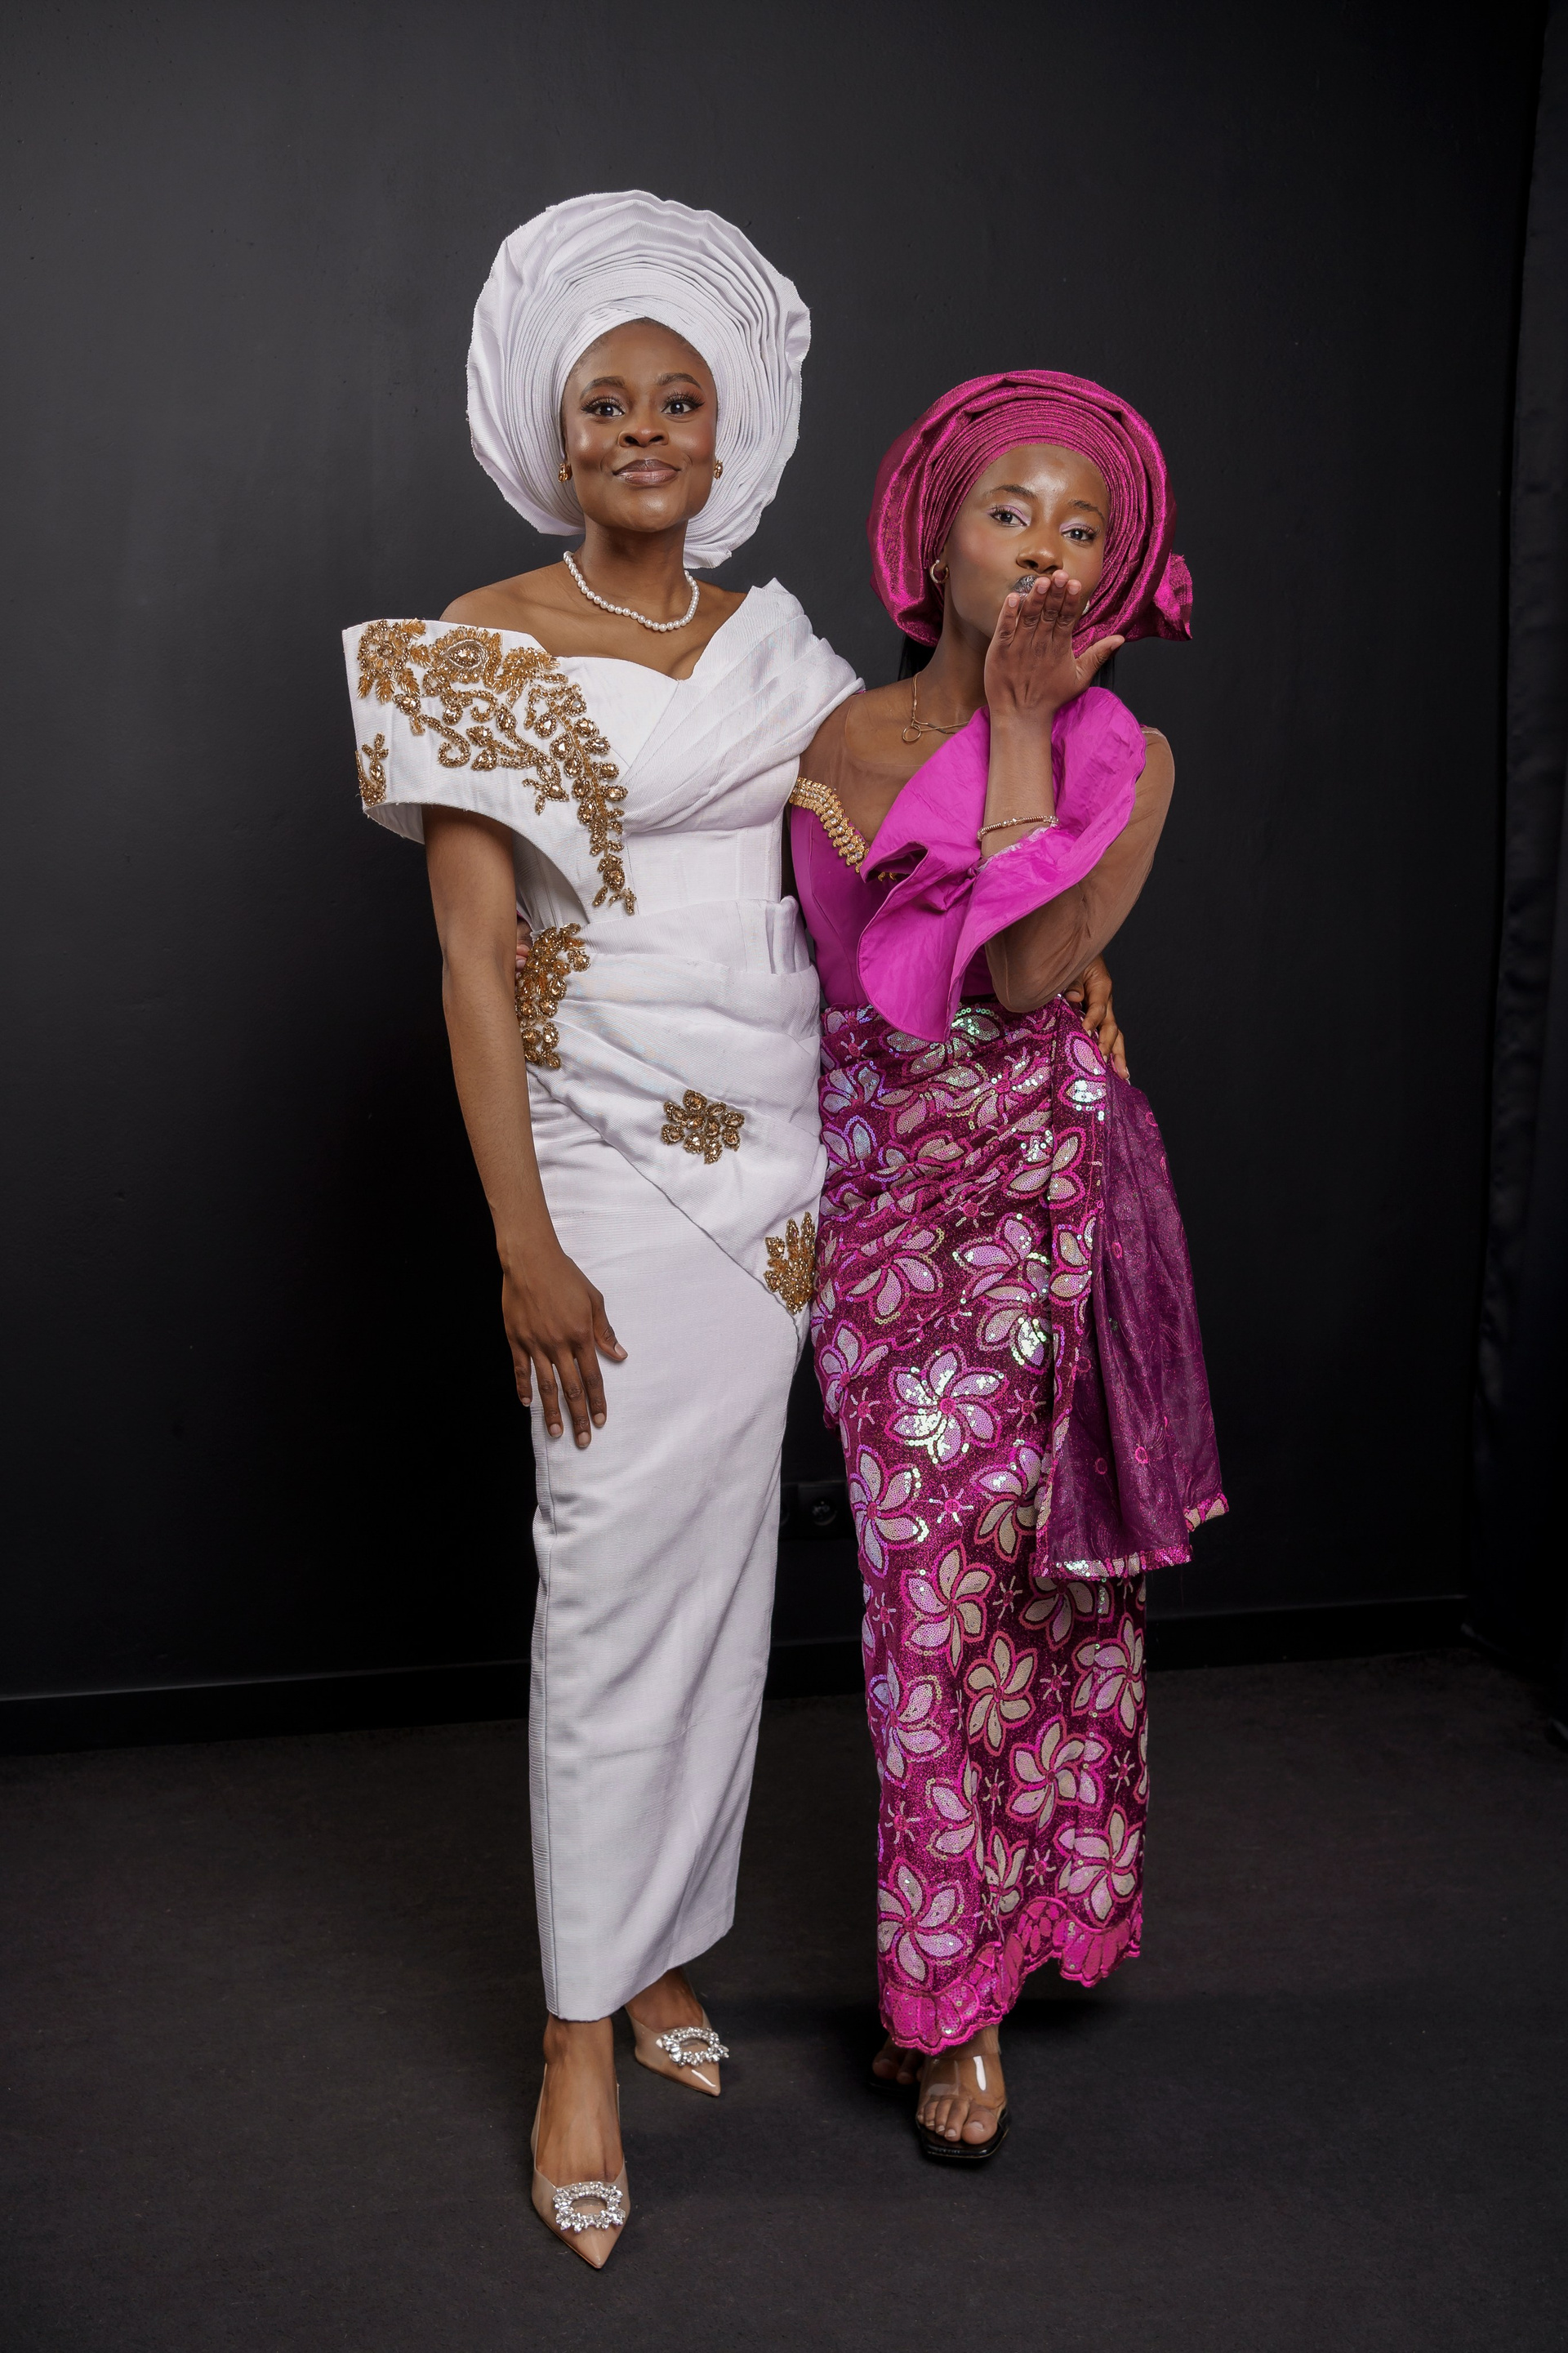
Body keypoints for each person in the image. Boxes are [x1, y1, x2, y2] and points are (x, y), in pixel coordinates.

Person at [342, 191, 858, 2264]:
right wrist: (521, 1242)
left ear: (727, 432)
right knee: (606, 1589)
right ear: (552, 437)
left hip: (777, 1180)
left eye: (677, 399)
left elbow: (894, 866)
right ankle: (576, 2026)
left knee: (723, 1582)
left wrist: (1068, 921)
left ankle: (656, 1950)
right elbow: (475, 968)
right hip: (600, 1176)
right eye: (604, 403)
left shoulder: (783, 652)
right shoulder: (479, 640)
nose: (643, 429)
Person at [788, 371, 1226, 2162]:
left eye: (1082, 525)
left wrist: (1031, 732)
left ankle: (970, 1994)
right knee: (921, 1609)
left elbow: (1032, 973)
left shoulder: (1132, 753)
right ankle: (944, 1969)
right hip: (890, 1214)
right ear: (935, 538)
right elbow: (844, 984)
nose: (1046, 549)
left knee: (1047, 1607)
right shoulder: (841, 744)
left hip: (1050, 1206)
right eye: (1009, 511)